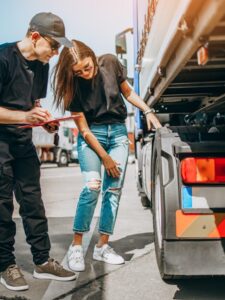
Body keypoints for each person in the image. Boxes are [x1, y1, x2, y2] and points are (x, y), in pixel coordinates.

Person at [52, 40, 162, 272]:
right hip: (93, 137)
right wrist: (105, 157)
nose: (83, 73)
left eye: (86, 67)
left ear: (91, 55)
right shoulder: (73, 87)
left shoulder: (110, 63)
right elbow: (83, 130)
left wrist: (148, 110)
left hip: (119, 134)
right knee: (92, 187)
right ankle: (76, 246)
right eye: (78, 71)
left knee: (113, 191)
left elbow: (128, 92)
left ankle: (102, 246)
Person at [0, 12, 77, 292]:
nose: (56, 53)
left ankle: (42, 261)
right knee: (2, 205)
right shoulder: (3, 58)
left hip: (22, 141)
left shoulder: (41, 65)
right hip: (1, 142)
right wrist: (24, 117)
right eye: (53, 46)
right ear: (34, 36)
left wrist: (45, 119)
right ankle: (6, 264)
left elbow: (33, 102)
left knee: (33, 202)